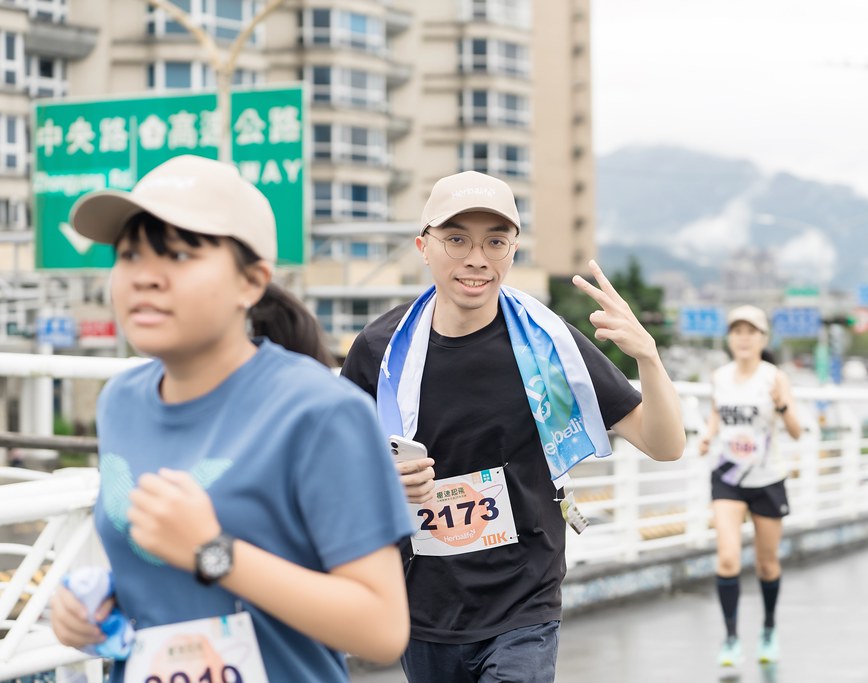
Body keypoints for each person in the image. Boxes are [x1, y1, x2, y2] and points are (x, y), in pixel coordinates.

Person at [49, 155, 413, 681]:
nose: (145, 277)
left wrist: (213, 552)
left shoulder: (320, 411)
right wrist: (89, 611)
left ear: (252, 282)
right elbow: (156, 572)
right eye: (129, 255)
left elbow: (380, 629)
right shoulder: (119, 400)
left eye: (177, 254)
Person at [341, 170, 686, 683]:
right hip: (424, 602)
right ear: (424, 245)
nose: (476, 259)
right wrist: (380, 480)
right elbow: (334, 470)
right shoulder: (382, 350)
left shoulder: (547, 346)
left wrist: (649, 359)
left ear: (513, 249)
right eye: (456, 240)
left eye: (495, 242)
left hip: (524, 600)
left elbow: (665, 445)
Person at [697, 305, 801, 668]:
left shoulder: (774, 378)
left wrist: (783, 404)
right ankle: (730, 639)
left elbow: (797, 430)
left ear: (762, 338)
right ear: (730, 338)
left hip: (767, 478)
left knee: (766, 563)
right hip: (727, 476)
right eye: (737, 331)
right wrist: (707, 436)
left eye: (751, 331)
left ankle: (769, 629)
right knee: (727, 556)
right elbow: (716, 413)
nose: (743, 337)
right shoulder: (720, 376)